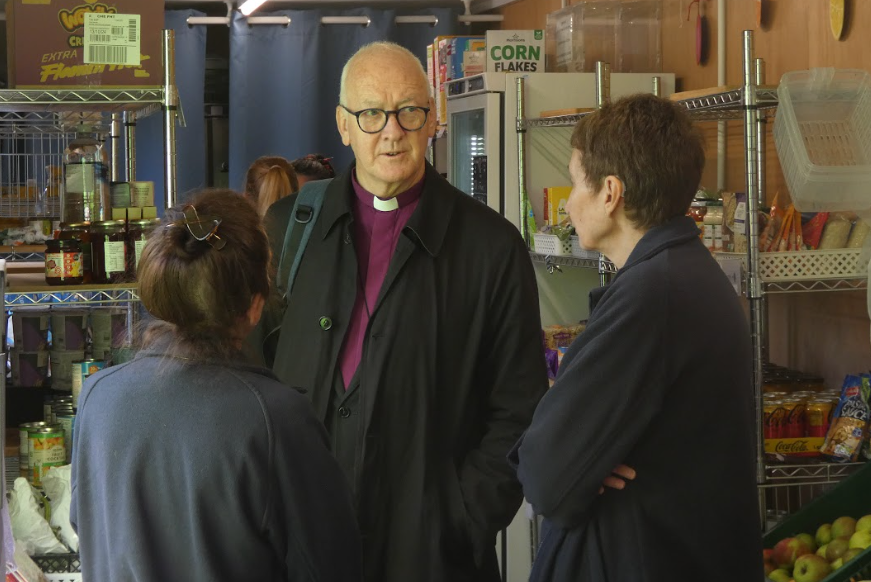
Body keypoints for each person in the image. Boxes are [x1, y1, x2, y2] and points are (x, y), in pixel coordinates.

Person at [261, 41, 548, 582]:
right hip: (298, 543)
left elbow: (518, 410)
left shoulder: (491, 247)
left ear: (433, 119)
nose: (391, 131)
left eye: (408, 111)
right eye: (371, 113)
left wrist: (459, 520)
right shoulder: (287, 229)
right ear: (344, 125)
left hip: (431, 555)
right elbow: (247, 376)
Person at [510, 94, 763, 582]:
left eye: (574, 181)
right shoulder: (681, 274)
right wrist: (581, 460)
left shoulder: (651, 296)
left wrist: (571, 460)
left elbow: (545, 475)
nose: (569, 200)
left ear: (610, 193)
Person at [70, 189, 362, 582]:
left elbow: (84, 524)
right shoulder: (275, 419)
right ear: (256, 304)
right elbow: (331, 566)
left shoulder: (97, 396)